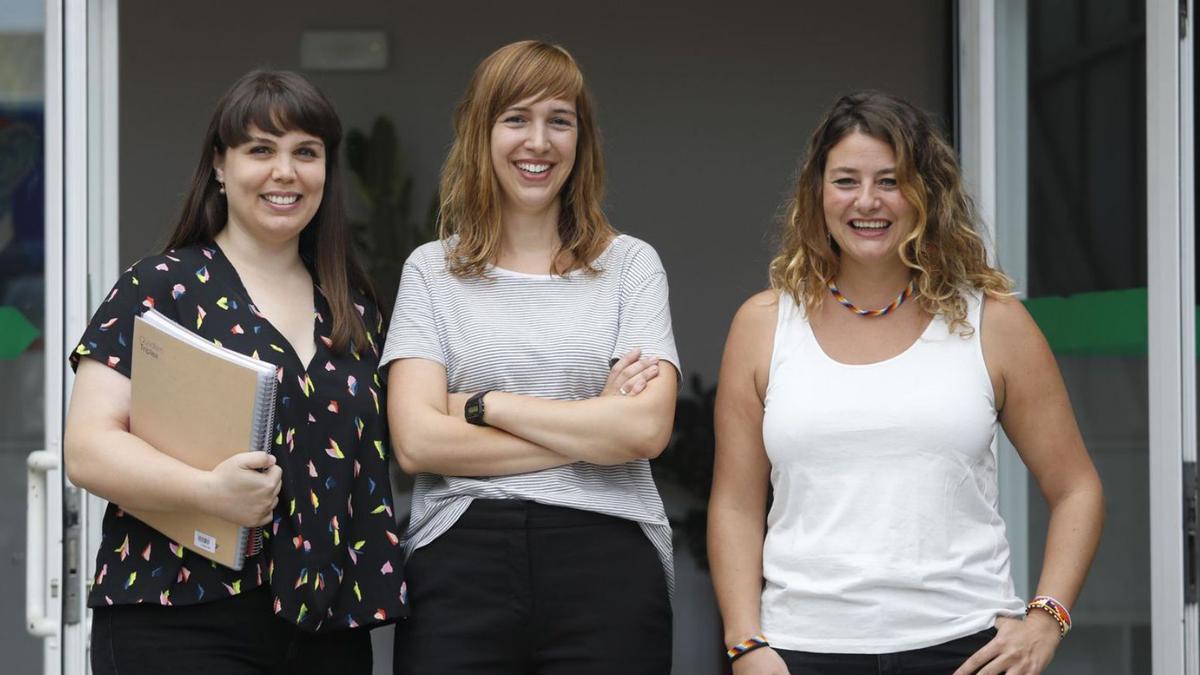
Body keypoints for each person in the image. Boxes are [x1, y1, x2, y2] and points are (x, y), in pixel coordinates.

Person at [707, 91, 1104, 675]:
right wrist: (745, 644)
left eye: (890, 181)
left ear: (927, 194)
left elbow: (1077, 488)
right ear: (817, 194)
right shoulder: (763, 324)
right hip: (801, 650)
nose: (867, 202)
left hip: (965, 647)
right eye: (846, 180)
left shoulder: (992, 322)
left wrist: (1047, 620)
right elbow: (737, 504)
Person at [63, 70, 405, 675]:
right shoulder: (161, 285)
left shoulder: (354, 307)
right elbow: (87, 450)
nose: (285, 172)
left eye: (306, 152)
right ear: (220, 165)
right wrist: (209, 493)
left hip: (322, 626)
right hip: (179, 614)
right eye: (260, 150)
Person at [381, 40, 679, 674]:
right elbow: (416, 443)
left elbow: (646, 428)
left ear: (582, 139)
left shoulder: (631, 267)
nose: (538, 141)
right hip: (461, 558)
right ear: (481, 132)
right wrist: (593, 420)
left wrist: (486, 406)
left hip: (609, 555)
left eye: (559, 120)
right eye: (516, 118)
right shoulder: (431, 271)